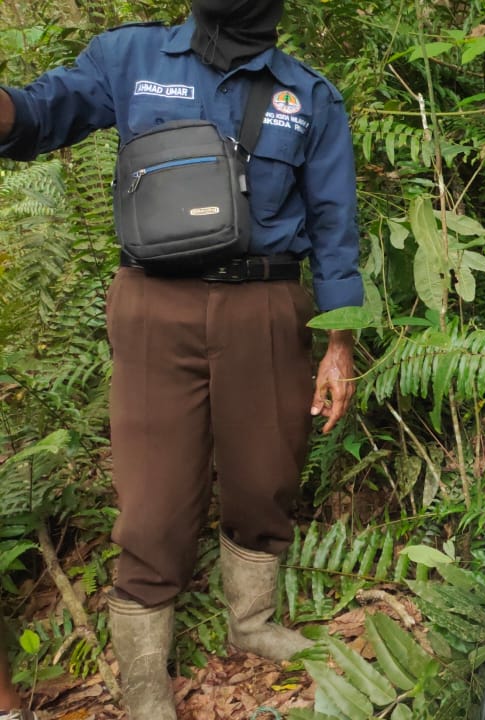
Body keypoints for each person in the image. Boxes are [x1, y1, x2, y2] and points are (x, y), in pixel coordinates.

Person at [0, 1, 361, 717]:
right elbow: (43, 114)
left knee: (266, 474)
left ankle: (251, 621)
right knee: (154, 495)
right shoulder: (130, 59)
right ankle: (142, 674)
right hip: (154, 305)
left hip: (265, 303)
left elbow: (335, 227)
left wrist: (338, 346)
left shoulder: (308, 95)